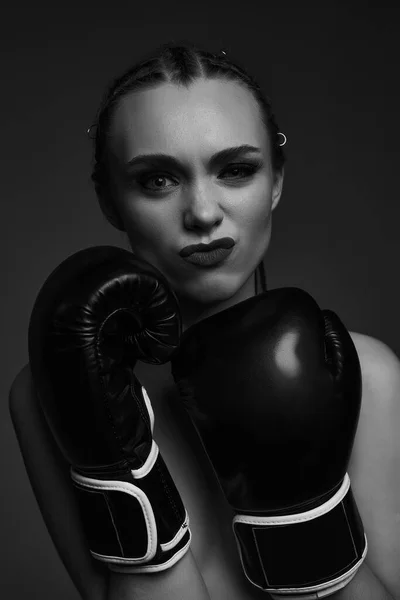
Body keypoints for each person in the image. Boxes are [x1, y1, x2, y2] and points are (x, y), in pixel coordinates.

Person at [9, 41, 400, 600]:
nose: (202, 212)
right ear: (110, 201)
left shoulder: (370, 375)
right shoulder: (52, 390)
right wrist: (121, 469)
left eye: (236, 170)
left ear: (277, 183)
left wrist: (307, 521)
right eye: (157, 180)